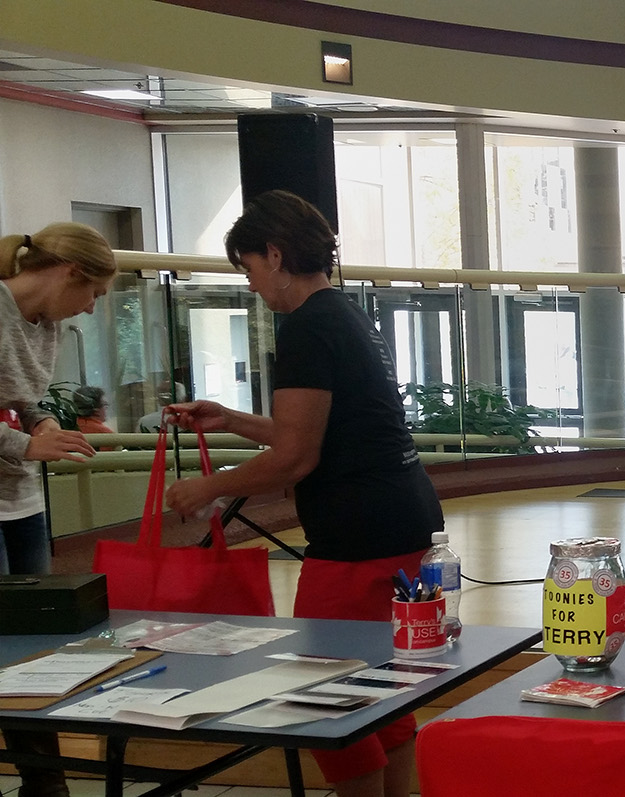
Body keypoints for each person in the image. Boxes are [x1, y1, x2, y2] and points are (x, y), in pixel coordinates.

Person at [163, 190, 442, 797]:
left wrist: (205, 487)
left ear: (274, 253)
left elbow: (296, 456)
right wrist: (232, 419)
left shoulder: (305, 330)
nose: (253, 285)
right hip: (402, 519)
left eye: (250, 268)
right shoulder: (346, 316)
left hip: (356, 538)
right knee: (378, 685)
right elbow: (322, 435)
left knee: (320, 696)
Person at [0, 222, 115, 797]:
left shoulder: (46, 325)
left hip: (19, 499)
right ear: (71, 272)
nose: (91, 309)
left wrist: (43, 422)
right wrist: (26, 443)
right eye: (93, 294)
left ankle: (44, 782)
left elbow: (24, 399)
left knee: (37, 641)